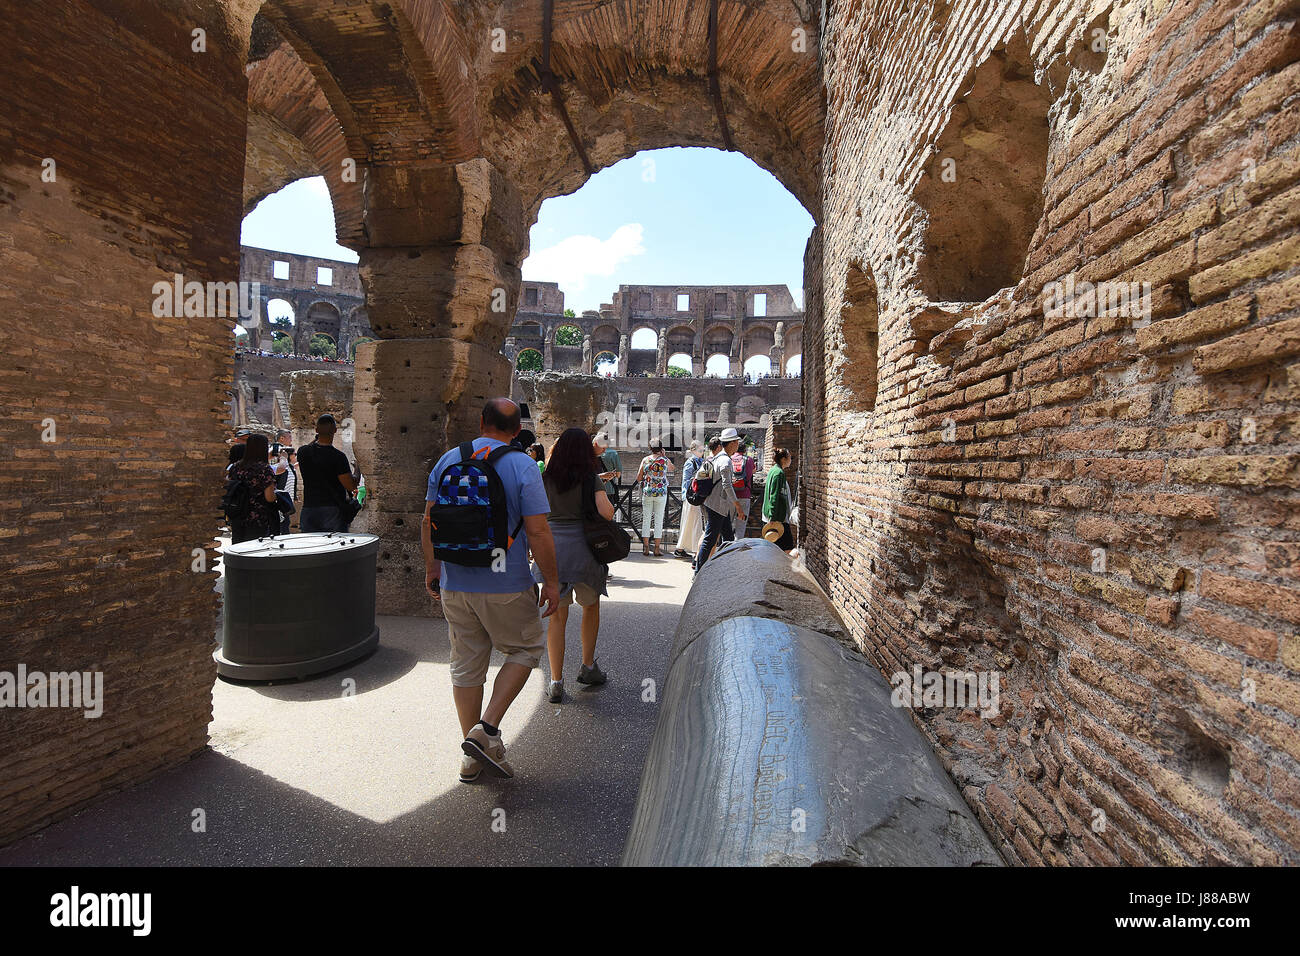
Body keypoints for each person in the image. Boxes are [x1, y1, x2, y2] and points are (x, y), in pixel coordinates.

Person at [423, 398, 560, 783]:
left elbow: (429, 521)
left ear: (481, 421)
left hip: (455, 581)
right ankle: (486, 730)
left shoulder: (448, 460)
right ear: (518, 431)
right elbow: (537, 531)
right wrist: (550, 580)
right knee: (525, 648)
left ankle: (470, 757)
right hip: (506, 581)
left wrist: (434, 567)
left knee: (466, 665)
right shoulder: (523, 466)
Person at [534, 427, 615, 704]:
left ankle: (556, 681)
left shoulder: (544, 479)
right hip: (584, 551)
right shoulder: (590, 480)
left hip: (552, 552)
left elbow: (534, 516)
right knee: (590, 606)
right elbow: (607, 513)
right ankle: (588, 666)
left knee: (557, 615)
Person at [695, 430, 745, 574]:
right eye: (736, 442)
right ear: (733, 443)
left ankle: (726, 568)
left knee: (728, 538)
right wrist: (738, 506)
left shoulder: (718, 458)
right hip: (718, 505)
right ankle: (698, 573)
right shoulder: (725, 460)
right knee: (710, 539)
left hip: (718, 505)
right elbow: (727, 485)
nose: (738, 445)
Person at [296, 414, 357, 532]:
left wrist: (318, 436)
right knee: (334, 547)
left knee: (310, 547)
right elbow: (350, 485)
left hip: (309, 507)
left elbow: (310, 447)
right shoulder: (338, 457)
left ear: (316, 430)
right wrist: (358, 470)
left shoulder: (303, 452)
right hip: (332, 510)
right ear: (335, 430)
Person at [226, 434, 278, 544]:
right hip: (257, 517)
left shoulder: (235, 467)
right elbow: (269, 497)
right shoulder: (264, 469)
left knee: (238, 549)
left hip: (237, 514)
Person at [634, 441, 673, 556]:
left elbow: (638, 478)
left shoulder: (645, 460)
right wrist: (664, 456)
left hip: (648, 493)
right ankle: (656, 548)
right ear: (661, 448)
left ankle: (646, 548)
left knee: (646, 520)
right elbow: (672, 468)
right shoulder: (664, 460)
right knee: (658, 520)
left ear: (650, 448)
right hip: (661, 493)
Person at [675, 440, 705, 557]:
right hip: (691, 497)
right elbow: (686, 481)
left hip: (697, 496)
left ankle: (682, 548)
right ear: (693, 451)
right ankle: (693, 549)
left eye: (703, 450)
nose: (702, 453)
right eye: (700, 450)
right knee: (693, 522)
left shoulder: (701, 461)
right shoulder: (690, 462)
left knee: (691, 522)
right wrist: (686, 497)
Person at [761, 448, 796, 552]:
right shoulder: (778, 473)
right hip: (777, 518)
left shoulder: (774, 470)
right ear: (784, 459)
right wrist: (773, 517)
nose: (791, 460)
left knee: (774, 550)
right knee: (787, 548)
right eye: (790, 457)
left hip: (774, 517)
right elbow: (774, 496)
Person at [730, 438, 757, 538]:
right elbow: (753, 471)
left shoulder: (730, 458)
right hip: (745, 495)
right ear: (745, 450)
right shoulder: (749, 460)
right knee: (741, 526)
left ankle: (727, 548)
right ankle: (737, 548)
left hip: (731, 495)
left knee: (729, 525)